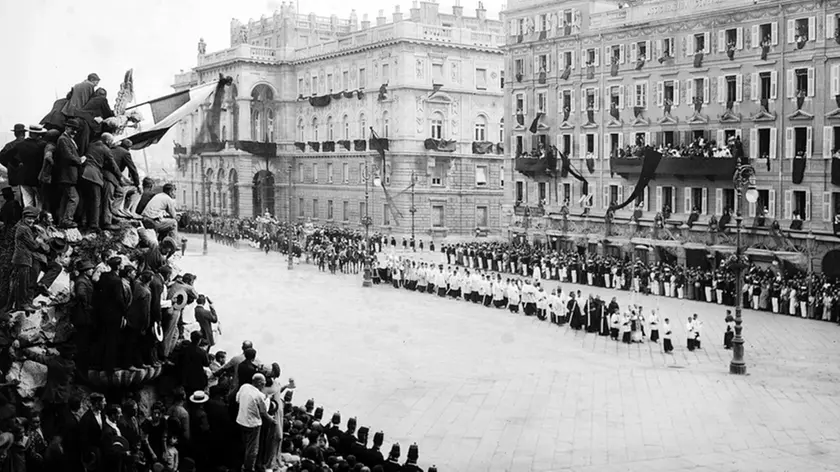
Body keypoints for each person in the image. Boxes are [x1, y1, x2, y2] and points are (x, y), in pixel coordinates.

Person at [6, 206, 46, 312]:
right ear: (24, 217)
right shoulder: (24, 229)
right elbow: (33, 246)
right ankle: (23, 304)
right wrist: (39, 240)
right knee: (23, 283)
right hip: (22, 259)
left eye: (33, 219)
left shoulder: (23, 227)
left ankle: (22, 304)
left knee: (22, 282)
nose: (31, 221)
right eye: (29, 218)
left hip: (23, 259)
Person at [237, 373, 274, 472]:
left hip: (240, 420)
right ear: (259, 383)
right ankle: (248, 468)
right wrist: (268, 399)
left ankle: (241, 464)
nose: (264, 386)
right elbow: (264, 411)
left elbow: (237, 400)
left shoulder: (244, 387)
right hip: (253, 424)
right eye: (263, 384)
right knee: (253, 449)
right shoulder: (259, 395)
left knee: (244, 444)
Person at [54, 119, 85, 228]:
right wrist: (79, 160)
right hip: (67, 175)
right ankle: (67, 220)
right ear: (66, 128)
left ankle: (61, 221)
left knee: (65, 198)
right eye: (73, 129)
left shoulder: (67, 139)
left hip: (68, 175)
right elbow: (67, 155)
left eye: (76, 130)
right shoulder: (63, 139)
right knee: (74, 198)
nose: (75, 132)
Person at [124, 270, 152, 369]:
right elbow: (146, 312)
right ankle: (132, 363)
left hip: (131, 317)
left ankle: (136, 362)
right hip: (139, 320)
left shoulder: (136, 285)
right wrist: (146, 325)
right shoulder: (146, 292)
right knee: (136, 343)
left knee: (130, 342)